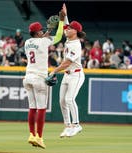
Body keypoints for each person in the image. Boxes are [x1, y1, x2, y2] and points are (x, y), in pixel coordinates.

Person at [23, 4, 66, 149]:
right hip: (40, 78)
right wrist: (61, 22)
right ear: (37, 32)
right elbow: (59, 36)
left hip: (27, 77)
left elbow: (40, 39)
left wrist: (47, 31)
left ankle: (31, 134)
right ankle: (40, 137)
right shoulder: (43, 41)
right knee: (41, 109)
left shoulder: (27, 42)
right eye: (40, 30)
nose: (42, 31)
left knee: (32, 108)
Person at [49, 6, 86, 138]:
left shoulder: (76, 44)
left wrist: (54, 71)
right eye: (68, 27)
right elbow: (65, 24)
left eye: (70, 28)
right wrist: (65, 15)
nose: (67, 29)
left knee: (69, 99)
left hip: (76, 74)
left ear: (75, 31)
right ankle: (68, 126)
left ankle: (76, 125)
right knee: (62, 101)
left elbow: (66, 63)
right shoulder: (70, 38)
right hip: (67, 75)